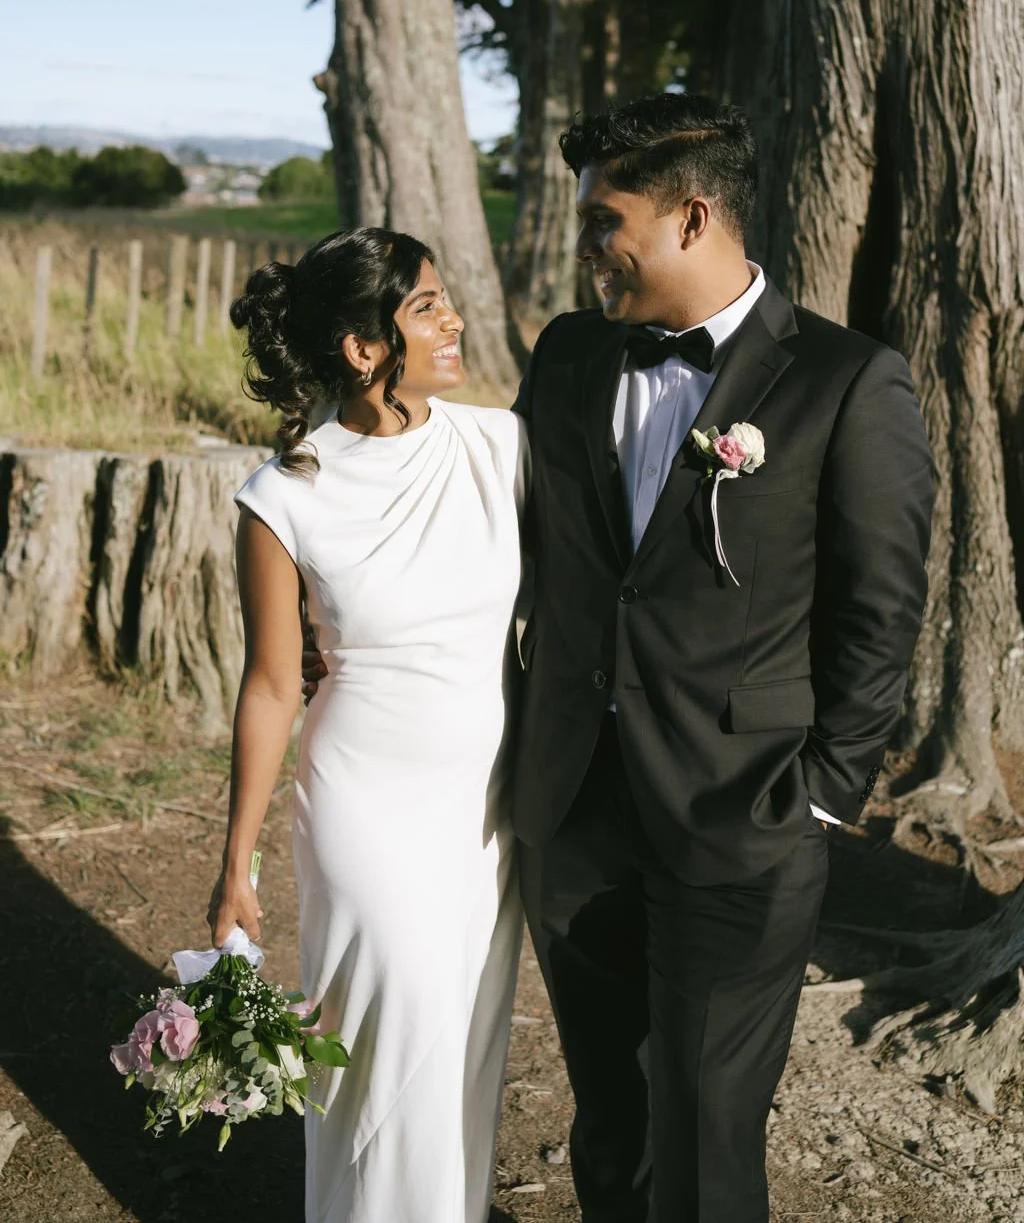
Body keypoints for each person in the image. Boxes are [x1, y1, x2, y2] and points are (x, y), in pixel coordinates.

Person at [511, 93, 934, 1223]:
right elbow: (516, 541)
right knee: (610, 1120)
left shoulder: (847, 380)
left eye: (604, 221)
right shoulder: (566, 355)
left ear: (692, 218)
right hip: (574, 808)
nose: (586, 248)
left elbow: (880, 612)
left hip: (742, 818)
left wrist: (822, 795)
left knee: (705, 1140)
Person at [207, 227, 528, 1223]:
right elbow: (272, 687)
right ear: (362, 346)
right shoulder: (283, 497)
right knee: (382, 1052)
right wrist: (236, 862)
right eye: (427, 306)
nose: (455, 319)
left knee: (460, 1051)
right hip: (366, 809)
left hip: (486, 812)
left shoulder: (502, 447)